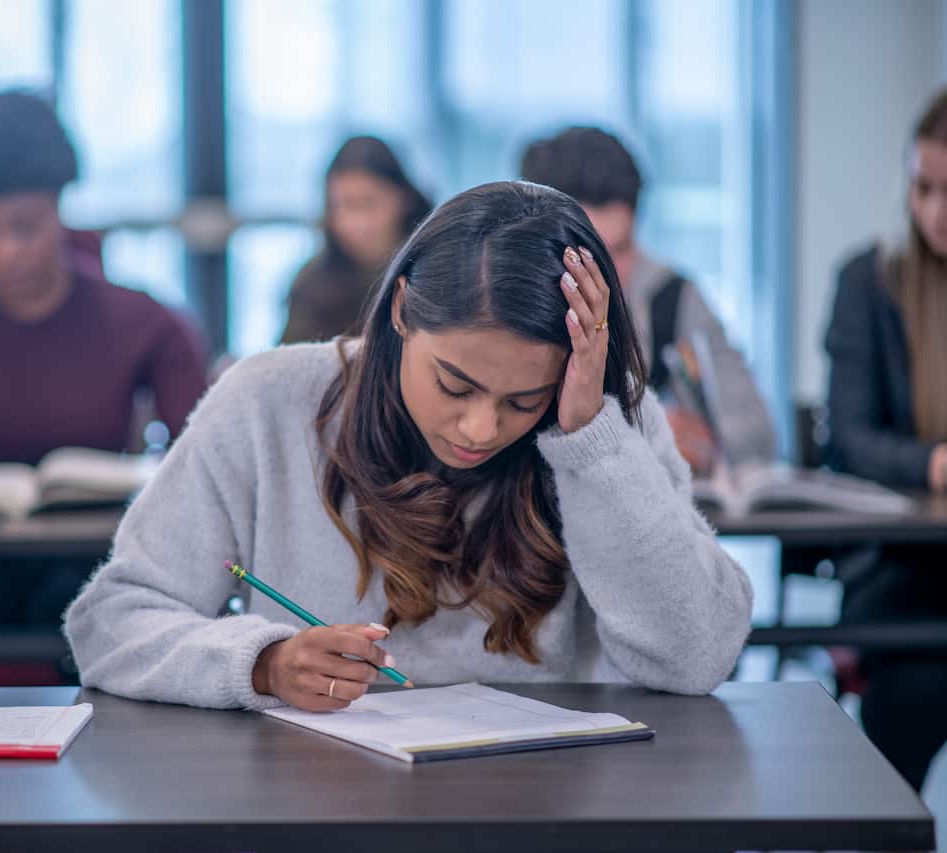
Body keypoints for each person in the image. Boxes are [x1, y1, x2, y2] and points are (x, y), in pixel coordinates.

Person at [65, 181, 752, 712]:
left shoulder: (603, 419)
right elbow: (112, 622)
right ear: (400, 311)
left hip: (545, 807)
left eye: (522, 401)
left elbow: (694, 658)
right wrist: (263, 663)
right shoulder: (268, 400)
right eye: (454, 383)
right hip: (319, 804)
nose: (480, 429)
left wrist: (587, 437)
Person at [0, 90, 208, 465]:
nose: (7, 251)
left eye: (27, 227)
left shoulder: (142, 321)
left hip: (112, 523)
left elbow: (203, 456)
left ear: (59, 209)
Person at [520, 126, 775, 474]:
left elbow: (758, 435)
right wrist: (650, 430)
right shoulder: (507, 303)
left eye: (621, 249)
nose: (609, 274)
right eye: (590, 253)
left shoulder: (671, 295)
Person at [825, 88, 947, 791]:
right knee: (916, 689)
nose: (934, 209)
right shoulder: (868, 281)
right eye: (922, 185)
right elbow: (849, 437)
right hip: (897, 572)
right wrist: (931, 462)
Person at [280, 135, 432, 344]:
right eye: (342, 205)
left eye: (368, 204)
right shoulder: (311, 283)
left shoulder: (435, 275)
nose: (356, 223)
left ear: (404, 200)